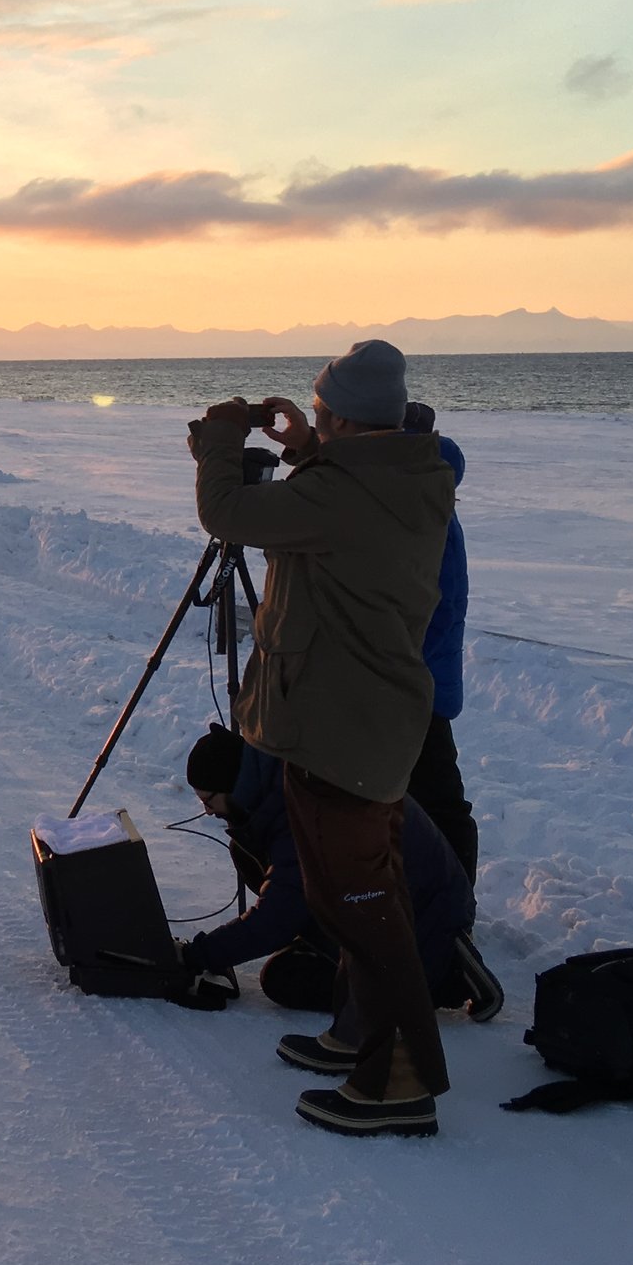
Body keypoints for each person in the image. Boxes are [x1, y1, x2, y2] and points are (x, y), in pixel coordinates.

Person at [191, 338, 456, 1138]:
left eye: (320, 411)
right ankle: (356, 1034)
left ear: (344, 415)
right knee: (351, 898)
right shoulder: (401, 474)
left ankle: (401, 1081)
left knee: (366, 909)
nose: (312, 421)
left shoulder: (346, 495)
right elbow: (345, 491)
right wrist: (308, 448)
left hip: (346, 728)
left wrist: (219, 443)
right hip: (347, 722)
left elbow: (227, 513)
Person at [175, 725, 493, 1019]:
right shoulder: (287, 773)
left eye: (208, 800)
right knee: (246, 848)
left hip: (419, 919)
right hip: (409, 898)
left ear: (232, 784)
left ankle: (447, 977)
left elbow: (277, 916)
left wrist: (198, 956)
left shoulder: (301, 810)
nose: (207, 811)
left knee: (283, 978)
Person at [401, 400, 478, 884]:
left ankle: (451, 910)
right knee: (438, 798)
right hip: (424, 675)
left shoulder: (416, 508)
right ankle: (447, 903)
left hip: (412, 676)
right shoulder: (432, 496)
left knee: (437, 802)